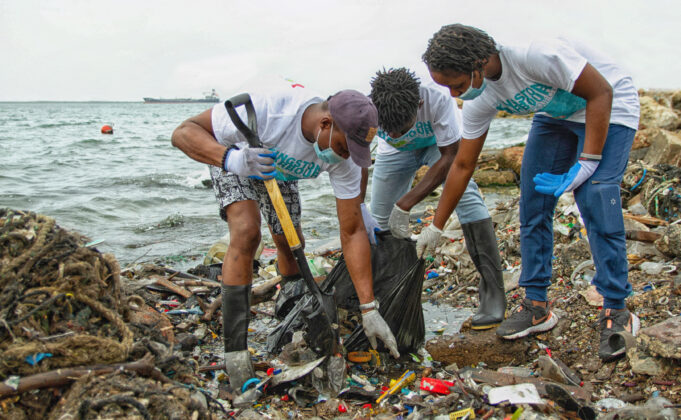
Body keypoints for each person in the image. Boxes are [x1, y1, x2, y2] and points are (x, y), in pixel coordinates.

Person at [417, 24, 640, 361]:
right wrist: (436, 225)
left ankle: (617, 307)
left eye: (457, 85)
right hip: (555, 116)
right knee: (533, 201)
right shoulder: (480, 99)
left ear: (478, 62)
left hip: (609, 103)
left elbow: (601, 93)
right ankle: (536, 304)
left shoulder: (536, 55)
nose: (453, 96)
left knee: (595, 196)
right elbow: (462, 166)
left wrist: (589, 162)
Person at [171, 88, 400, 393]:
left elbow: (353, 230)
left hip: (279, 167)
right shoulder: (271, 112)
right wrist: (233, 159)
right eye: (345, 148)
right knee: (248, 232)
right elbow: (183, 132)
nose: (347, 157)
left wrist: (369, 307)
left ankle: (290, 310)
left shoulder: (345, 157)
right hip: (239, 152)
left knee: (289, 239)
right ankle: (235, 351)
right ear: (325, 124)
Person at [368, 67, 506, 329]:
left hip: (438, 146)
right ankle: (389, 294)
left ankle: (493, 295)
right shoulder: (368, 108)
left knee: (467, 197)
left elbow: (451, 158)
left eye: (403, 128)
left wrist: (407, 202)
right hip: (394, 156)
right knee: (378, 220)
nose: (397, 135)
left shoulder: (437, 100)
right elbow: (359, 159)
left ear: (418, 105)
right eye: (391, 130)